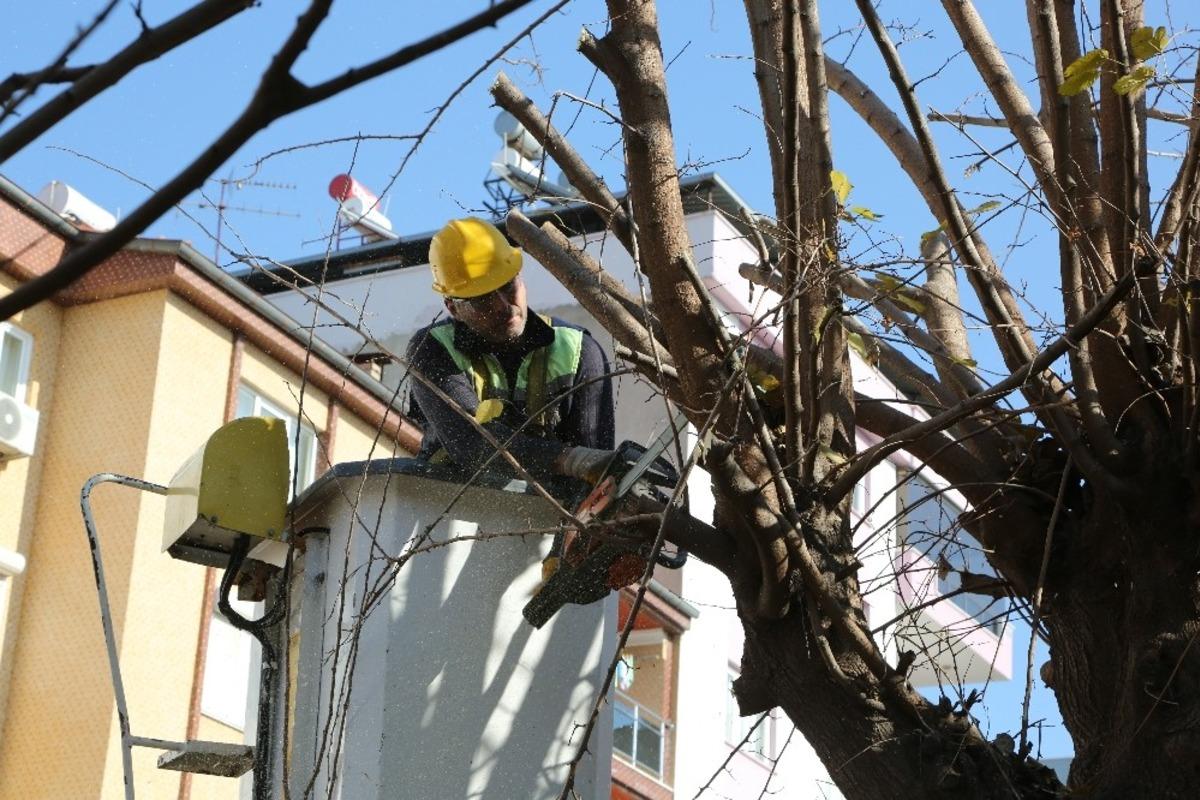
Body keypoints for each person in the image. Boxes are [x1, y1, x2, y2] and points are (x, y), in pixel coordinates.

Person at [406, 217, 618, 487]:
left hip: (553, 509)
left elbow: (595, 474)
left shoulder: (578, 351)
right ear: (453, 307)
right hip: (449, 505)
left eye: (508, 287)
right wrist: (572, 460)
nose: (504, 306)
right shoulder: (433, 348)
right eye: (483, 299)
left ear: (520, 278)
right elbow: (472, 443)